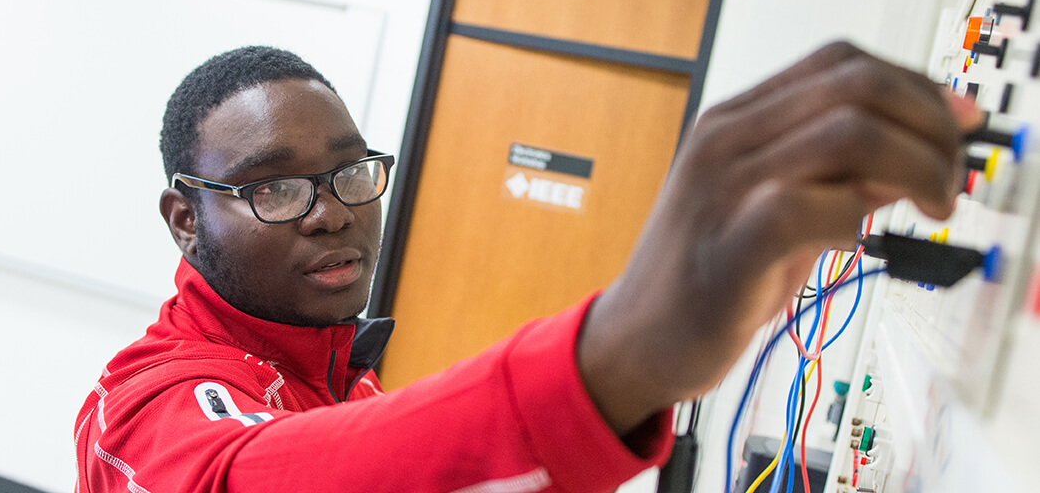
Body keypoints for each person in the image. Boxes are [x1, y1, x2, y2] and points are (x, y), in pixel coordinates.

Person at [74, 43, 979, 492]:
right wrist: (619, 354)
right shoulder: (143, 401)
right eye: (274, 190)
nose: (335, 209)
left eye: (350, 171)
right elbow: (245, 479)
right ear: (186, 222)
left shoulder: (344, 380)